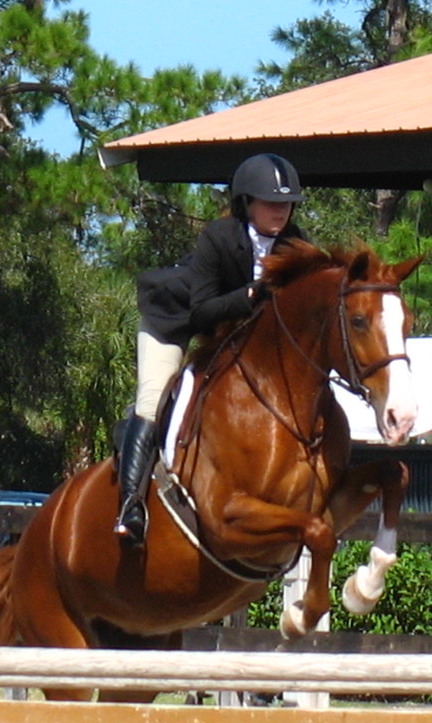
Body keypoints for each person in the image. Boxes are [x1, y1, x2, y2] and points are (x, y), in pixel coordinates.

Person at [115, 152, 308, 546]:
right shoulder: (218, 237)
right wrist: (252, 293)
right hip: (175, 320)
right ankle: (130, 507)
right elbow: (202, 312)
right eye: (271, 202)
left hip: (230, 329)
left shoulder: (296, 243)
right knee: (153, 401)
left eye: (286, 203)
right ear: (247, 204)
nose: (281, 211)